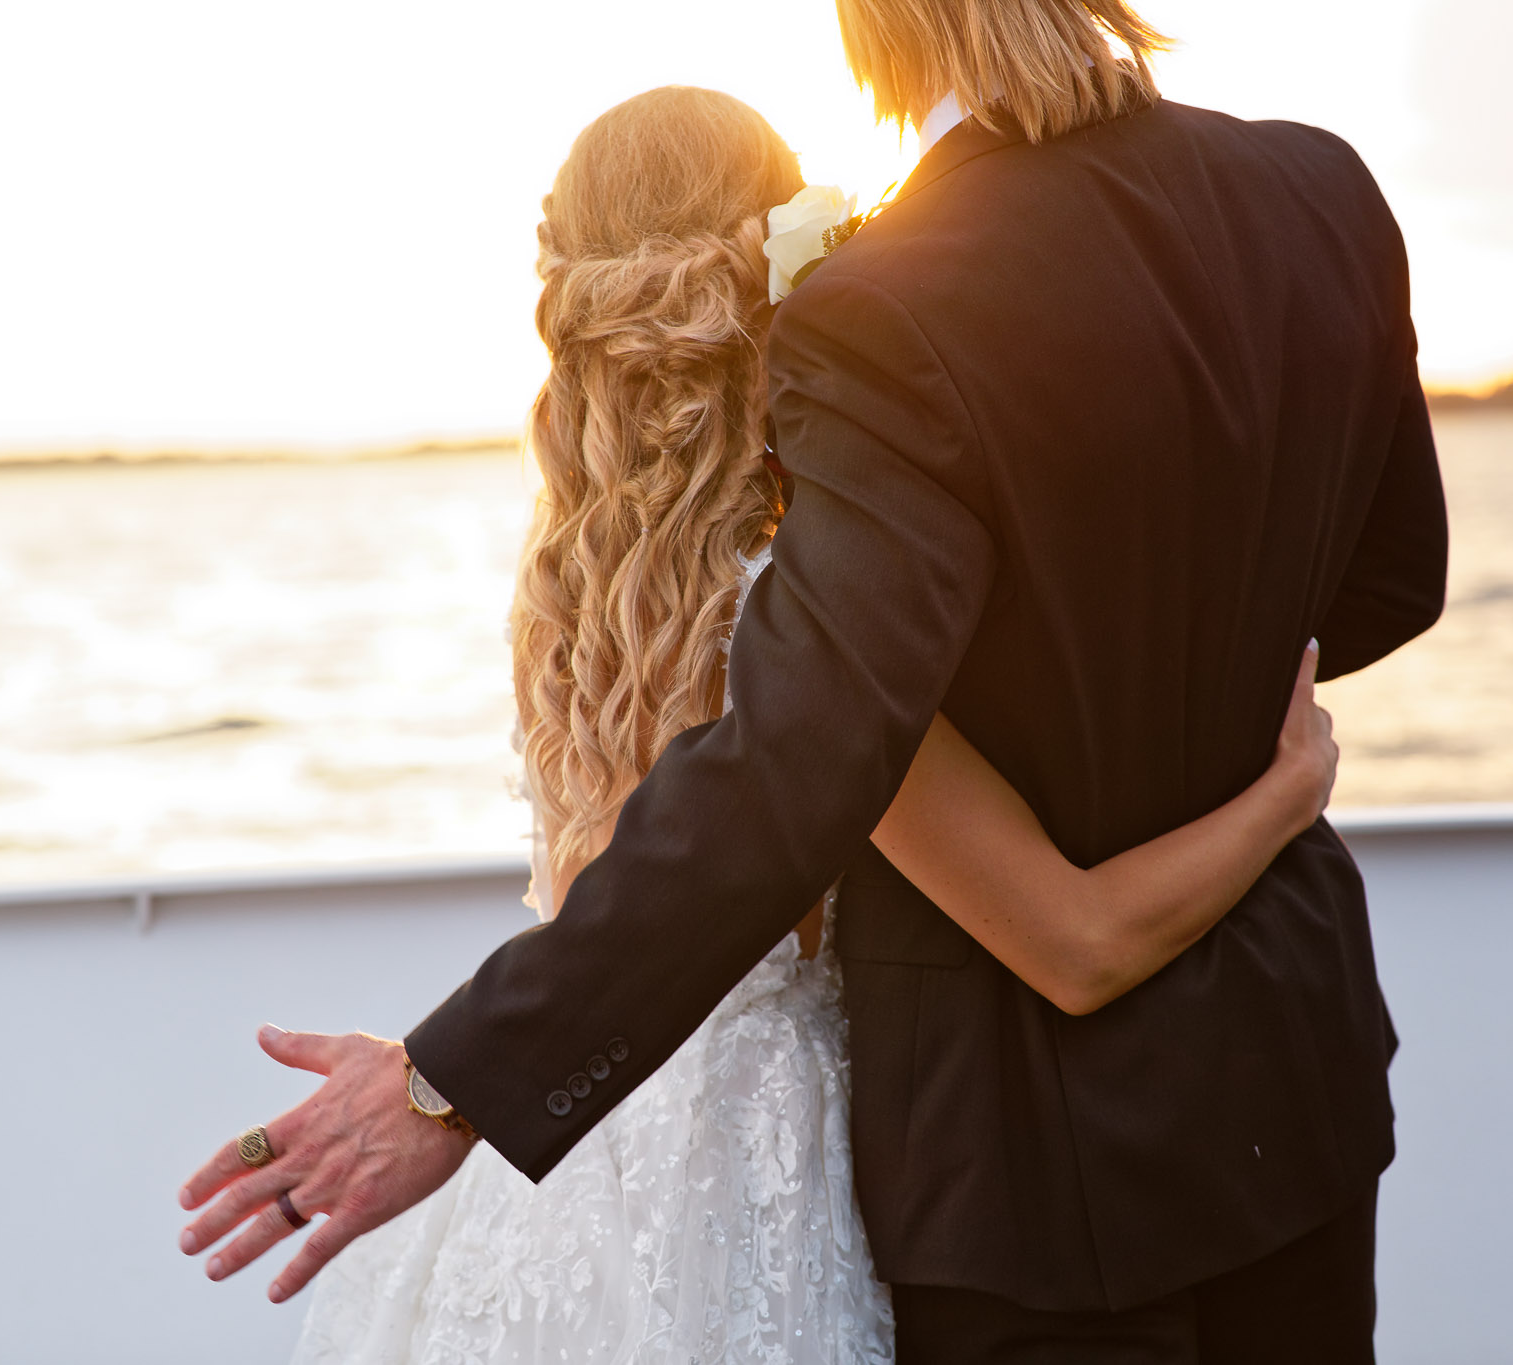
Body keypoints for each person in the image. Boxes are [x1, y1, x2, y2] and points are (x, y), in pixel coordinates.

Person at [181, 2, 1448, 1359]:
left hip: (1034, 1187)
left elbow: (805, 751)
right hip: (1297, 1098)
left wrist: (452, 1082)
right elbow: (1390, 583)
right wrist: (1255, 764)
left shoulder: (894, 304)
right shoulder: (1323, 188)